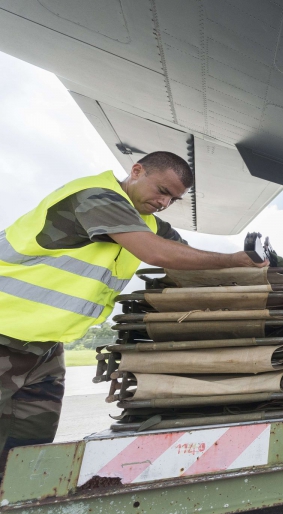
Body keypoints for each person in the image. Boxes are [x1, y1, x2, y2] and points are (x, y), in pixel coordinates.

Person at [0, 151, 267, 472]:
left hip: (43, 348)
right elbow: (154, 252)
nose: (164, 203)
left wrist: (254, 267)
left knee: (25, 452)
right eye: (162, 191)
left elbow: (186, 255)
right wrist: (231, 261)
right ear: (136, 171)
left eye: (174, 200)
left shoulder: (149, 223)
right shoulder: (97, 197)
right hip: (5, 334)